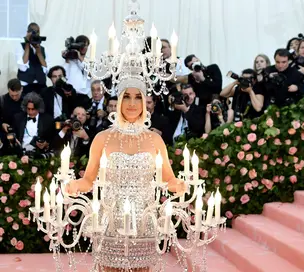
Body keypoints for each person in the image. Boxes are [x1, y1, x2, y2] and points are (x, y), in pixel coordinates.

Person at [65, 78, 186, 271]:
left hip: (144, 222)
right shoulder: (102, 138)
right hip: (110, 222)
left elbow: (168, 178)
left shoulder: (154, 139)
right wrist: (74, 185)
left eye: (138, 97)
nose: (132, 103)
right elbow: (89, 179)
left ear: (145, 102)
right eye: (126, 97)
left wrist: (179, 184)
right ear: (118, 100)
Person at [16, 22, 49, 95]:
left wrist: (38, 52)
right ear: (27, 32)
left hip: (40, 84)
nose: (35, 34)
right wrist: (27, 43)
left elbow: (46, 69)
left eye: (37, 32)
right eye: (32, 31)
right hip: (26, 85)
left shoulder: (43, 49)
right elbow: (22, 67)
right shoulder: (21, 46)